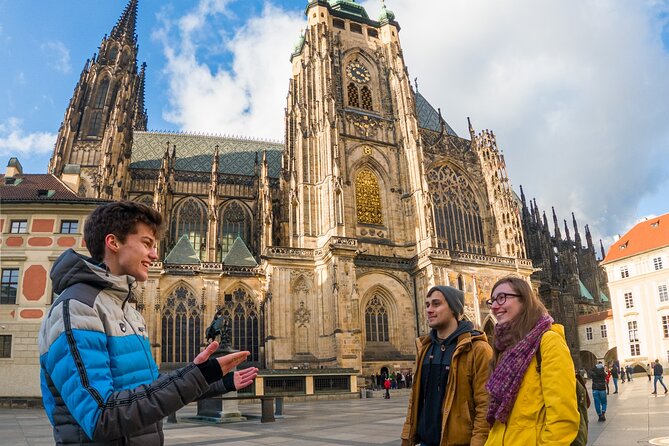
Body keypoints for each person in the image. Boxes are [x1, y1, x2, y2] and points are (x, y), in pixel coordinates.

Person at [38, 201, 259, 445]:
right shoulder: (77, 309)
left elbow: (148, 388)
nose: (155, 254)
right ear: (113, 242)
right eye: (147, 244)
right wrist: (194, 377)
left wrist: (209, 379)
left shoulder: (127, 311)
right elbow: (101, 416)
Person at [484, 276, 579, 445]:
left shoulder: (548, 342)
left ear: (524, 300)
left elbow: (562, 420)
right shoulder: (504, 348)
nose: (494, 306)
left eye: (502, 298)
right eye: (492, 301)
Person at [401, 285, 492, 446]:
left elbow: (485, 405)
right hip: (425, 442)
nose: (429, 310)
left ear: (454, 309)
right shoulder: (425, 348)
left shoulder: (477, 349)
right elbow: (415, 399)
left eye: (436, 304)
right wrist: (407, 436)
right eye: (427, 305)